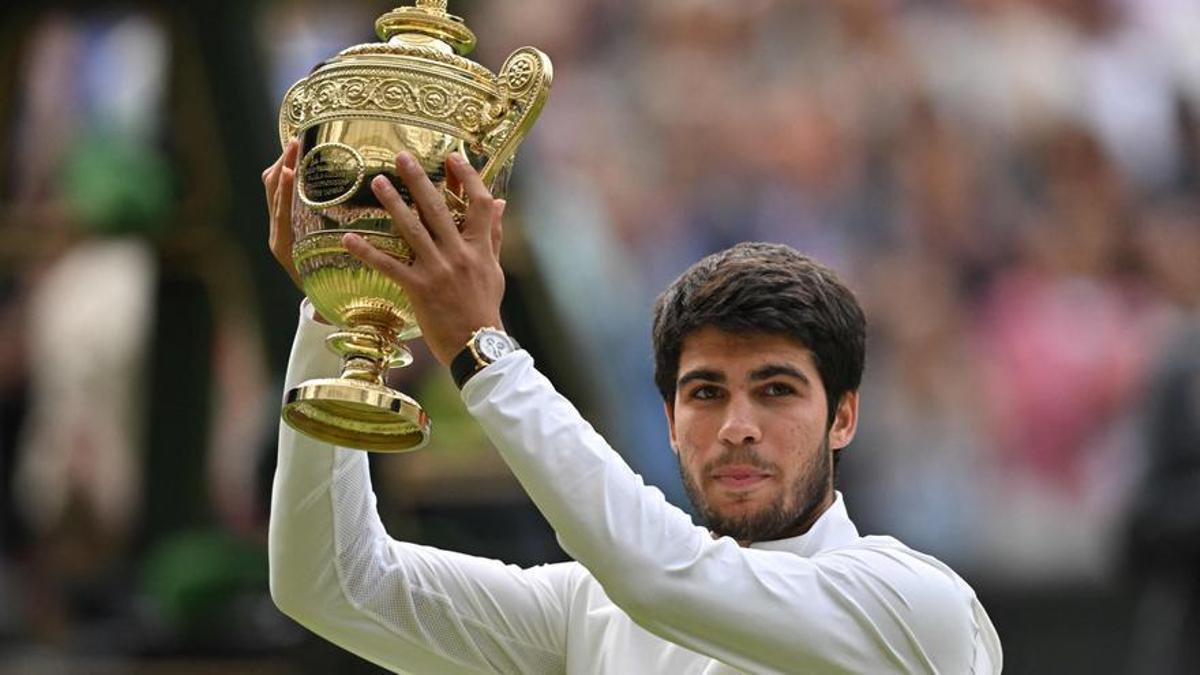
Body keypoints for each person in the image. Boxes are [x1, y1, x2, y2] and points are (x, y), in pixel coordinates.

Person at [263, 142, 1003, 674]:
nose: (737, 425)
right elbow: (330, 582)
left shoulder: (918, 605)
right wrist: (342, 304)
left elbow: (661, 577)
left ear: (844, 417)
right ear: (670, 419)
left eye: (776, 390)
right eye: (705, 392)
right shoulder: (593, 610)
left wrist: (483, 351)